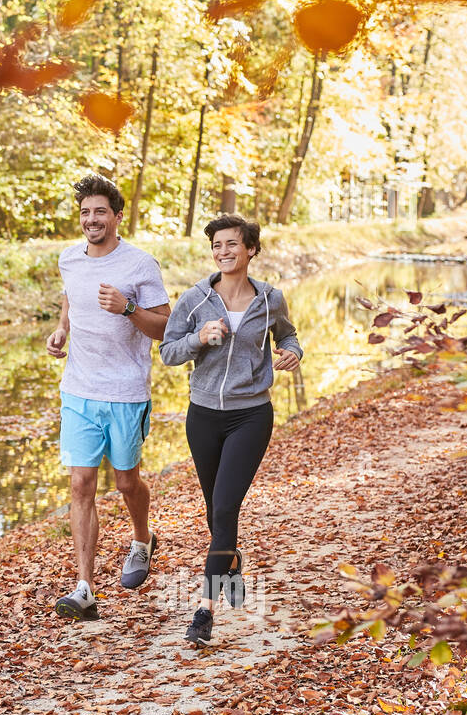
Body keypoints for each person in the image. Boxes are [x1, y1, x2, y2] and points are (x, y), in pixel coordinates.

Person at [159, 213, 302, 645]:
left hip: (251, 415)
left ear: (251, 249)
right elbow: (168, 352)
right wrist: (199, 338)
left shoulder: (270, 298)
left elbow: (289, 335)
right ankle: (230, 562)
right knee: (215, 512)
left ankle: (204, 611)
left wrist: (292, 353)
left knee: (224, 509)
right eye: (217, 245)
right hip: (203, 415)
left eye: (232, 245)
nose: (223, 252)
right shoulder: (195, 300)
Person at [47, 174, 171, 620]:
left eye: (100, 211)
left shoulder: (140, 265)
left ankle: (143, 538)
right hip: (78, 389)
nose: (91, 219)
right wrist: (63, 327)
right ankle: (85, 588)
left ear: (118, 217)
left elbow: (165, 328)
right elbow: (70, 299)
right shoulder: (69, 259)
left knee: (125, 483)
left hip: (125, 392)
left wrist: (128, 308)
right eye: (85, 212)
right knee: (81, 484)